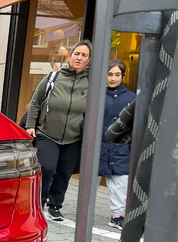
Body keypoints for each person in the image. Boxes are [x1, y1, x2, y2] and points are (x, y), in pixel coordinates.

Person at [25, 40, 92, 221]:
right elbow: (36, 102)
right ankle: (39, 202)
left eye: (84, 55)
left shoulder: (91, 84)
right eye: (77, 53)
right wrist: (30, 126)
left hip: (74, 136)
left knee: (64, 172)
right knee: (47, 168)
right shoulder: (53, 78)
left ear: (89, 60)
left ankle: (55, 206)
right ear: (70, 56)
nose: (79, 57)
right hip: (47, 133)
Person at [99, 59, 136, 230]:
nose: (113, 78)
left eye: (117, 74)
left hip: (121, 148)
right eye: (109, 74)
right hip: (99, 147)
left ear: (123, 76)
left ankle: (117, 215)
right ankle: (84, 211)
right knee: (91, 181)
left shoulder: (132, 98)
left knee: (120, 183)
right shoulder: (96, 96)